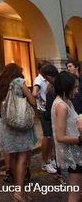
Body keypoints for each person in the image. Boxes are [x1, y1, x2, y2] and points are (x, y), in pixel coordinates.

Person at [0, 63, 37, 202]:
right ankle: (19, 191)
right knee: (23, 158)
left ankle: (17, 190)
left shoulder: (0, 85)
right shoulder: (19, 82)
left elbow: (0, 107)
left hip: (8, 126)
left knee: (13, 157)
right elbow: (33, 101)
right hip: (21, 125)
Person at [52, 71, 82, 202]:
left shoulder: (66, 102)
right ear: (66, 88)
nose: (77, 91)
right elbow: (60, 137)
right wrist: (80, 139)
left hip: (75, 152)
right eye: (75, 88)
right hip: (72, 155)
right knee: (75, 194)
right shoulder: (62, 106)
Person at [32, 63, 57, 174]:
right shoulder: (38, 80)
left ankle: (50, 159)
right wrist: (42, 101)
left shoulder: (47, 80)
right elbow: (34, 93)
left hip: (49, 109)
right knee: (47, 136)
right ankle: (45, 162)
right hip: (43, 110)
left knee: (50, 136)